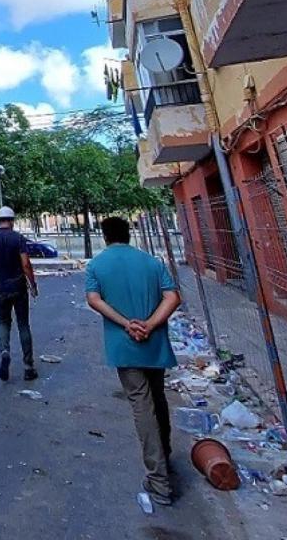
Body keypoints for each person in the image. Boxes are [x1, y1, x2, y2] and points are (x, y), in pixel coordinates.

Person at [85, 216, 181, 506]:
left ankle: (159, 480)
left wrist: (126, 324)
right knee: (158, 398)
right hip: (154, 345)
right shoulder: (152, 263)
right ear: (129, 234)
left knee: (142, 405)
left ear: (104, 236)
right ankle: (165, 457)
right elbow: (172, 298)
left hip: (124, 347)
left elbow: (94, 299)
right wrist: (150, 324)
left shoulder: (97, 265)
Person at [0, 206, 39, 382]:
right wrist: (33, 284)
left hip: (0, 289)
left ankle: (5, 351)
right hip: (19, 288)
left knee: (4, 322)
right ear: (12, 221)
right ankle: (28, 367)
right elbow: (26, 264)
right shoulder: (18, 238)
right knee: (23, 324)